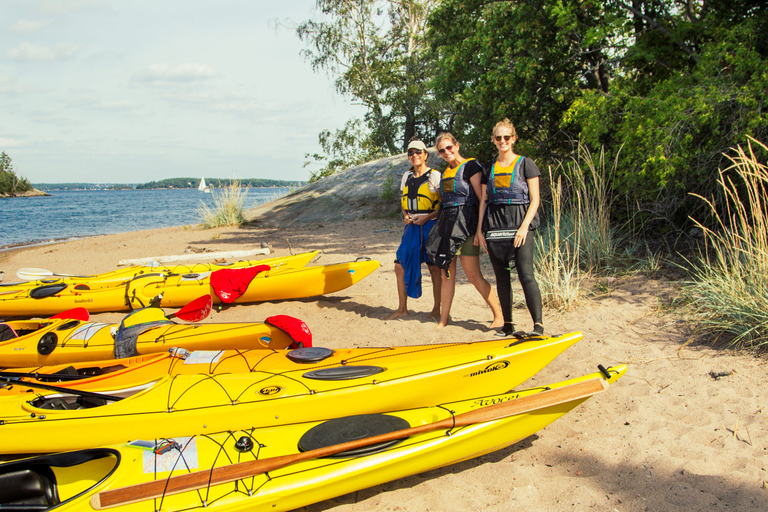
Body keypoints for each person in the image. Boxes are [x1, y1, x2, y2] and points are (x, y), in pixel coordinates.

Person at [426, 132, 504, 329]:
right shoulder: (444, 172)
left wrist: (480, 230)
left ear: (457, 146)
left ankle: (499, 316)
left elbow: (482, 199)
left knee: (472, 275)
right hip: (448, 228)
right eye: (441, 150)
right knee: (446, 275)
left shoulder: (471, 166)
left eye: (449, 147)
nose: (446, 152)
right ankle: (444, 320)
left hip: (468, 227)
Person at [475, 119, 544, 336]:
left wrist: (524, 227)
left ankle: (538, 326)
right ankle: (508, 326)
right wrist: (479, 230)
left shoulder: (526, 164)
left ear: (513, 139)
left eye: (506, 137)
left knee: (526, 274)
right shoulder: (489, 168)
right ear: (493, 140)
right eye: (498, 138)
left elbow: (535, 200)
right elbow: (484, 201)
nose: (502, 141)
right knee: (502, 278)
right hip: (495, 227)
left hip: (520, 225)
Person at [388, 140, 442, 319]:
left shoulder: (434, 176)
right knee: (399, 265)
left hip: (430, 225)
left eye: (418, 152)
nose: (414, 156)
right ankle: (402, 308)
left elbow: (443, 205)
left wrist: (427, 217)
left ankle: (436, 309)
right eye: (411, 153)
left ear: (425, 154)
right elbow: (404, 201)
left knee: (434, 268)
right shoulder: (407, 176)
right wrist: (405, 215)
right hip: (411, 226)